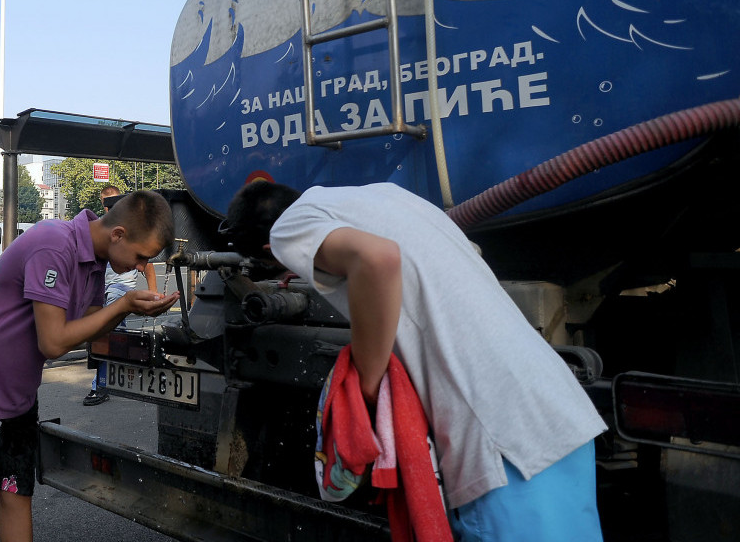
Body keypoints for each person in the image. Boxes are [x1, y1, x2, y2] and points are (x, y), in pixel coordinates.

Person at [222, 180, 607, 542]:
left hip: (498, 435)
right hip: (555, 408)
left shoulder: (288, 229)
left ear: (271, 251)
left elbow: (377, 258)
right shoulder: (387, 197)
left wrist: (366, 383)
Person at [0, 190, 180, 542]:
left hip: (18, 390)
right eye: (142, 257)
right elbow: (53, 343)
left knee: (17, 493)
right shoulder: (54, 243)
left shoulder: (97, 260)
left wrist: (129, 309)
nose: (142, 268)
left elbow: (89, 321)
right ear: (118, 234)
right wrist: (124, 305)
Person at [84, 185, 158, 406]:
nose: (109, 208)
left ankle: (101, 384)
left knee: (110, 334)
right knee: (109, 337)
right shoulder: (102, 230)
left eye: (114, 203)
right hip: (104, 291)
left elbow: (148, 265)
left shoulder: (128, 231)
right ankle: (130, 370)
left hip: (120, 291)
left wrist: (153, 294)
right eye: (107, 204)